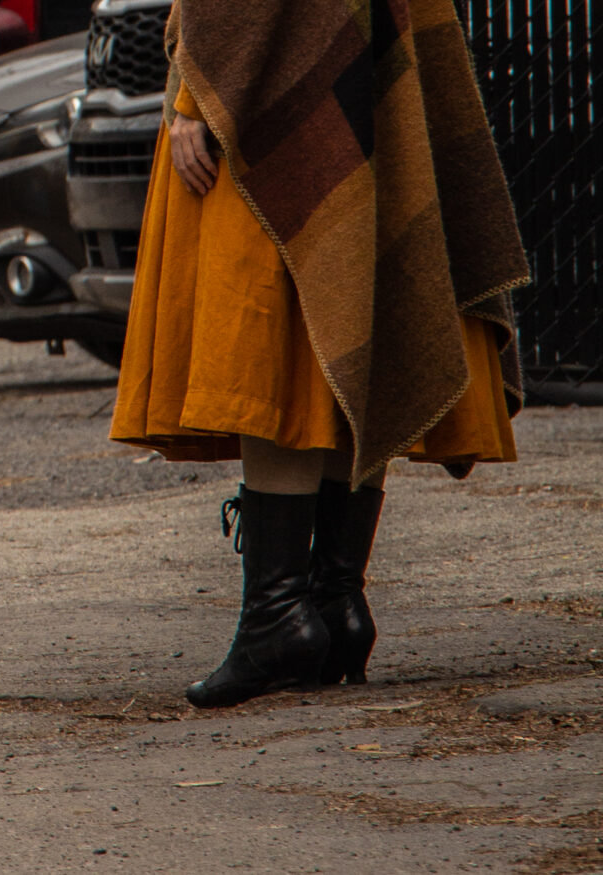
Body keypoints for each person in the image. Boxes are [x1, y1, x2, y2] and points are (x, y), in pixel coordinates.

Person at [108, 0, 530, 708]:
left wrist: (196, 96)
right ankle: (335, 600)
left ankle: (279, 616)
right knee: (347, 309)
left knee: (276, 345)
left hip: (269, 83)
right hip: (374, 49)